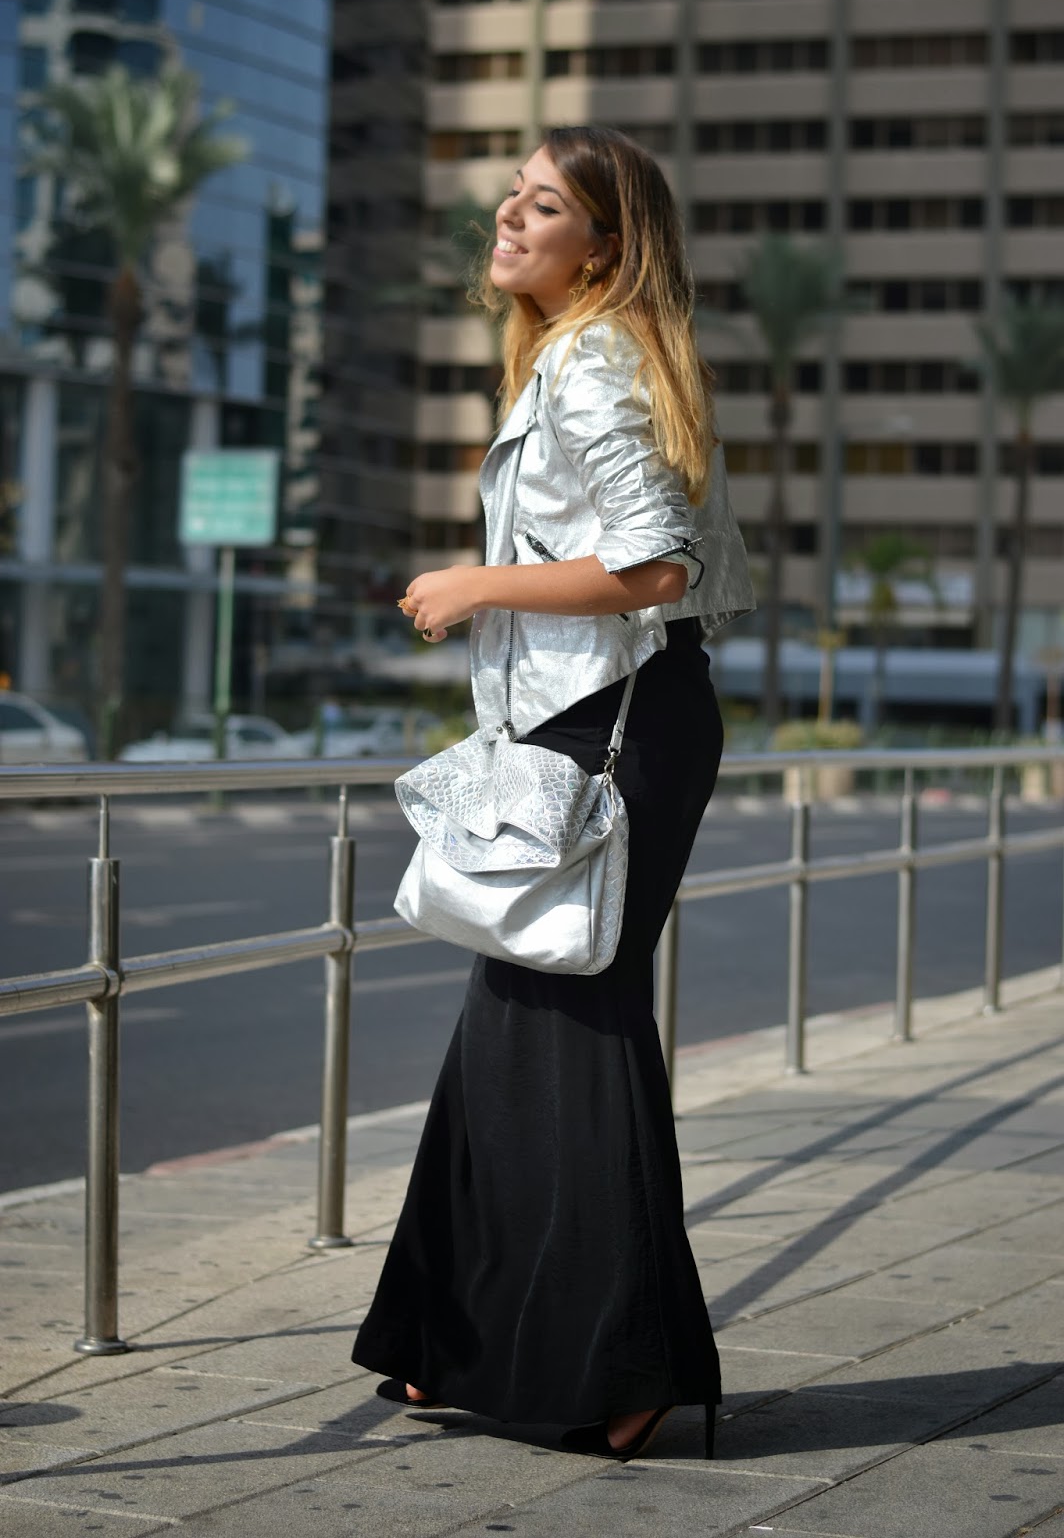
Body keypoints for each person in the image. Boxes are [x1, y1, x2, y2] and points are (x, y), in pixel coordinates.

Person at [351, 126, 755, 1460]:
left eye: (543, 206)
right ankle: (454, 1341)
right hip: (610, 715)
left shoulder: (592, 361)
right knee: (516, 1023)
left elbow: (655, 567)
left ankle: (626, 1366)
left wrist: (474, 585)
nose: (510, 219)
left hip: (611, 724)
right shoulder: (590, 354)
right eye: (512, 197)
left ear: (606, 247)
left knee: (570, 1022)